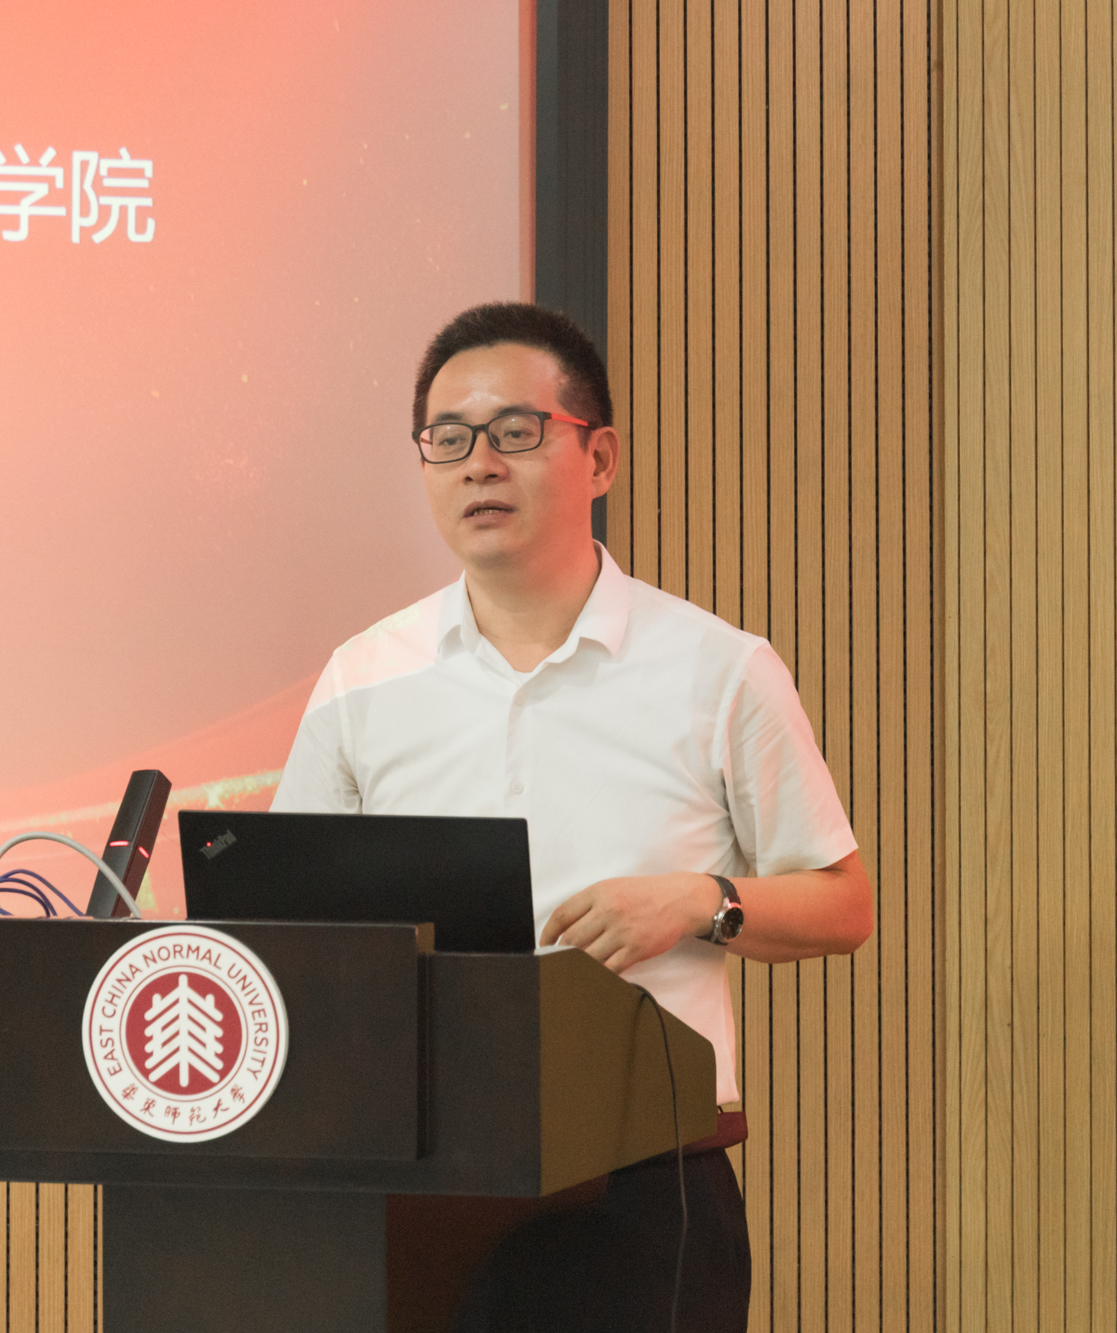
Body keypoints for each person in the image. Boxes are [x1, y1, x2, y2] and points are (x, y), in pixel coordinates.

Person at [272, 302, 873, 1331]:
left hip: (638, 1174)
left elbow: (842, 903)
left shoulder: (717, 669)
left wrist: (699, 901)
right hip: (410, 1164)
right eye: (446, 439)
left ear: (599, 458)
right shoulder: (361, 677)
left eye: (515, 431)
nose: (478, 464)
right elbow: (289, 924)